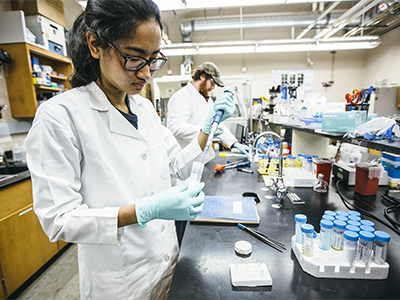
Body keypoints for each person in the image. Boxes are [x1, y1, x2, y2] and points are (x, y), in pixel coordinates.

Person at [25, 1, 235, 299]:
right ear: (95, 44)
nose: (147, 73)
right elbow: (59, 220)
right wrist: (145, 210)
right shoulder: (60, 116)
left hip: (166, 259)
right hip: (119, 279)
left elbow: (176, 163)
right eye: (135, 58)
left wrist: (208, 127)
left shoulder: (144, 108)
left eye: (153, 59)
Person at [167, 62, 250, 154]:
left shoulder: (207, 100)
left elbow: (217, 125)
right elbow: (175, 128)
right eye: (212, 83)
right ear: (202, 77)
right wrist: (205, 131)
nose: (213, 88)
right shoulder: (182, 96)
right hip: (186, 157)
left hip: (202, 155)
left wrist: (234, 143)